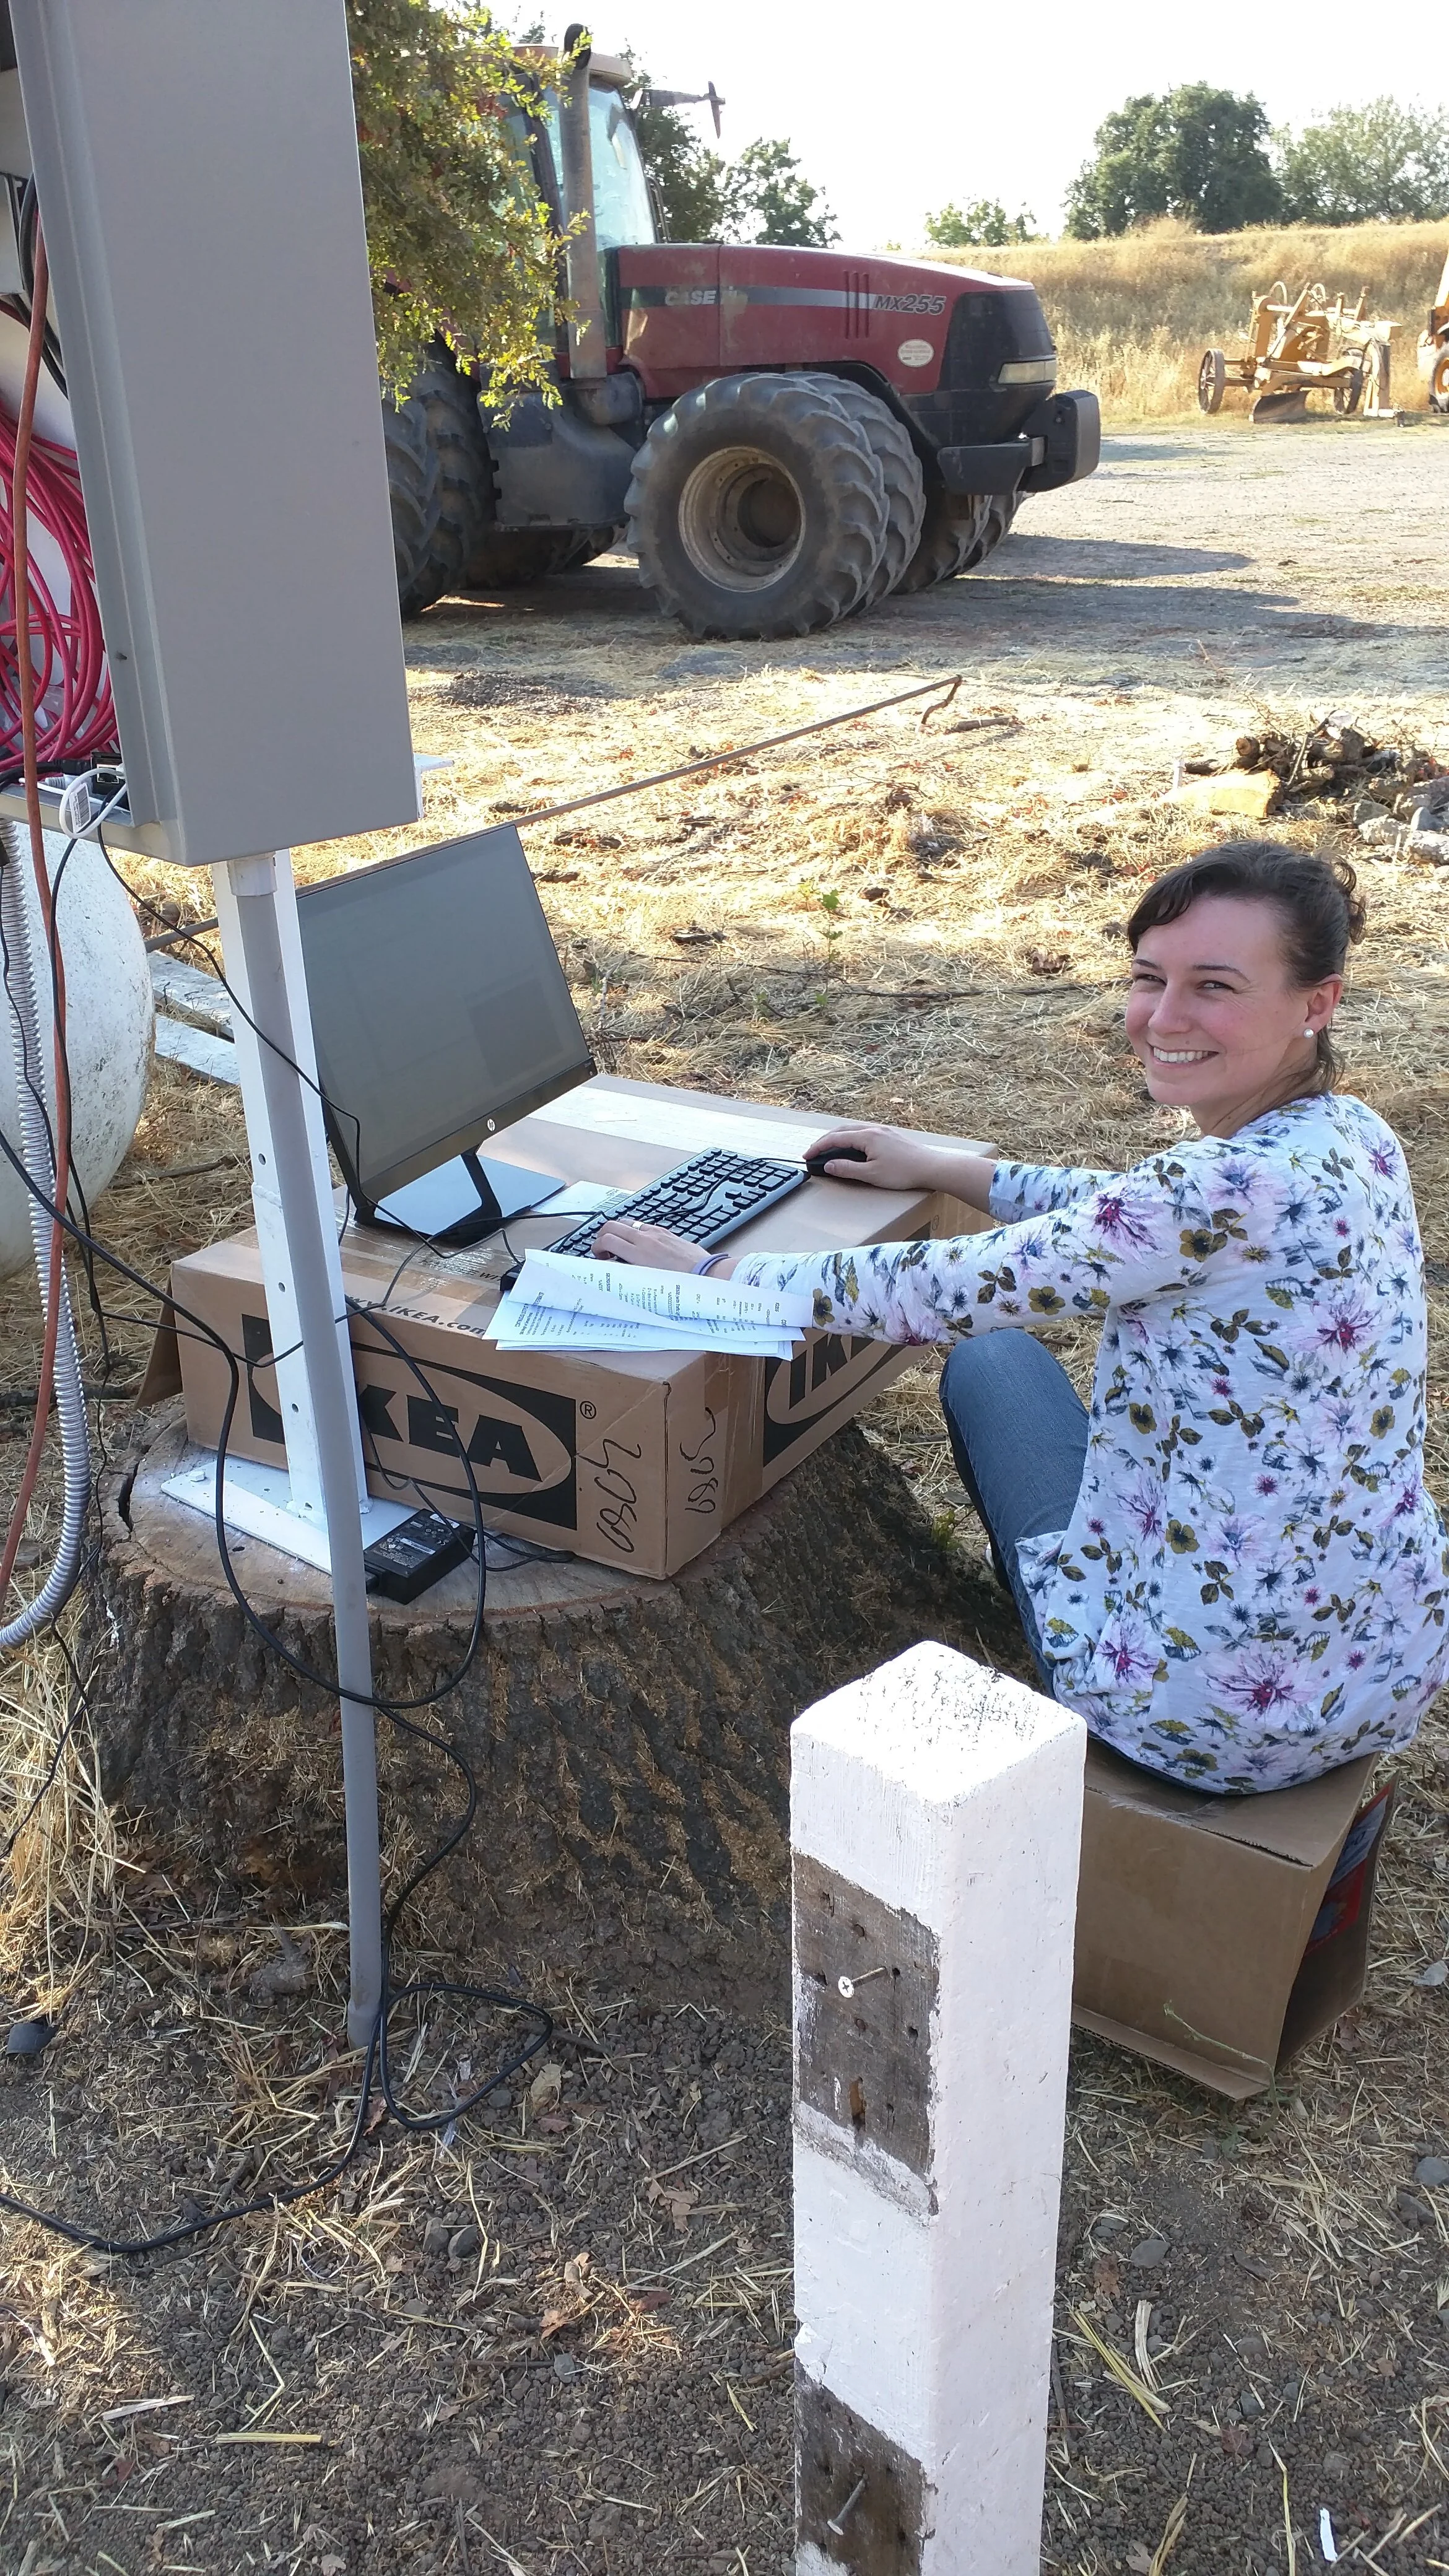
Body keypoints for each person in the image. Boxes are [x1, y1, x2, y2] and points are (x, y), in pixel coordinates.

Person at [589, 839, 1449, 1795]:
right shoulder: (1353, 1134)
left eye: (1215, 986)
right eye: (1149, 977)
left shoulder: (1213, 1191)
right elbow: (1129, 1214)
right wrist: (951, 1169)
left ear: (1316, 1003)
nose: (1164, 1017)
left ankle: (1079, 1657)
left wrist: (716, 1273)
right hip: (1379, 1666)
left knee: (989, 1361)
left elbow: (949, 1289)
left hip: (1200, 1718)